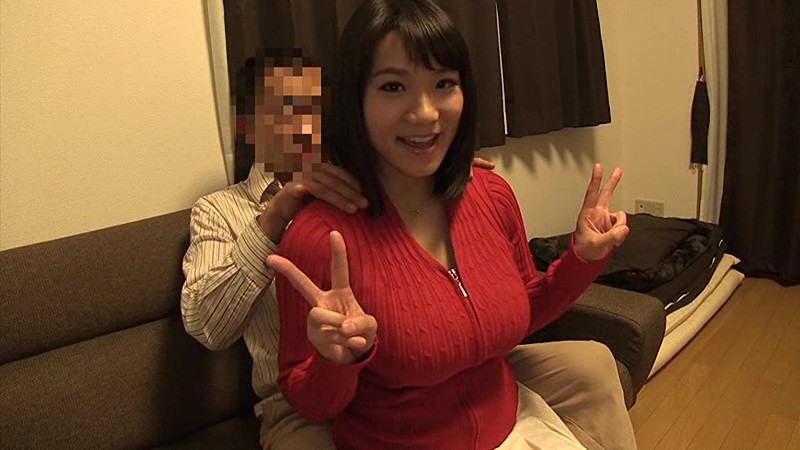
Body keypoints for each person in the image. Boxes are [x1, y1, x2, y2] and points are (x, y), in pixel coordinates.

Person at [267, 1, 636, 449]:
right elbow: (306, 400)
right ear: (354, 99)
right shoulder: (318, 237)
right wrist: (337, 360)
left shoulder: (491, 195)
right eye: (393, 86)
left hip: (515, 425)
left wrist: (582, 259)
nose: (425, 113)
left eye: (444, 83)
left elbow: (520, 313)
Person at [180, 48, 495, 449]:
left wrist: (440, 174)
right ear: (248, 126)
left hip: (395, 387)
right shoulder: (219, 210)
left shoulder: (370, 181)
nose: (306, 126)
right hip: (300, 408)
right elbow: (207, 325)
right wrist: (275, 218)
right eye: (287, 110)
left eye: (317, 110)